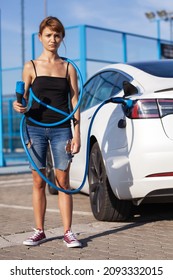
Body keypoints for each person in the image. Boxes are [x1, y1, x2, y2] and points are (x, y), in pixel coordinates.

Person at [13, 16, 82, 248]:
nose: (53, 39)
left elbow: (75, 101)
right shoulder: (30, 66)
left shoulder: (69, 67)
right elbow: (23, 98)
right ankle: (39, 231)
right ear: (41, 37)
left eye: (57, 35)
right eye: (49, 35)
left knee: (63, 181)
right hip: (35, 128)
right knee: (38, 181)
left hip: (62, 129)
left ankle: (68, 232)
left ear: (62, 38)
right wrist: (18, 104)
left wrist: (77, 133)